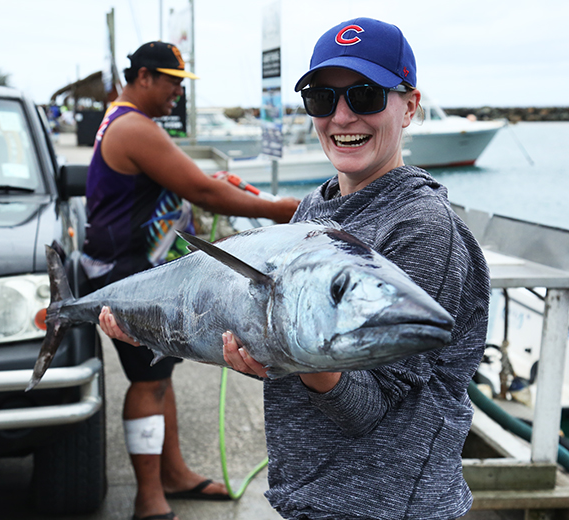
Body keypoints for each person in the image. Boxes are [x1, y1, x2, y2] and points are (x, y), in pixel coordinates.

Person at [102, 19, 490, 520]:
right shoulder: (314, 209)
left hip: (386, 506)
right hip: (307, 495)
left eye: (366, 96)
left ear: (410, 105)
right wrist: (168, 328)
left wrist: (308, 363)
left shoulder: (422, 227)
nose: (342, 116)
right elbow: (279, 348)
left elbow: (369, 410)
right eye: (322, 98)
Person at [83, 40, 299, 520]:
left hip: (129, 264)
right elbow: (202, 191)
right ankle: (148, 499)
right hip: (126, 272)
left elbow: (180, 180)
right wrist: (287, 210)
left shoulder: (123, 120)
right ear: (143, 77)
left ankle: (174, 473)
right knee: (146, 379)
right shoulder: (135, 126)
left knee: (161, 371)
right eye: (171, 82)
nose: (176, 94)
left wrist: (212, 184)